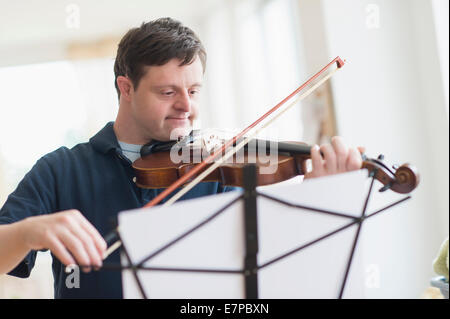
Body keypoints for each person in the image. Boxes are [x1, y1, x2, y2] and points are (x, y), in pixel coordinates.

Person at [0, 17, 364, 298]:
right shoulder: (61, 169)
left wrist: (317, 196)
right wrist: (29, 231)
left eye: (193, 90)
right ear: (125, 88)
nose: (187, 107)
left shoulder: (219, 169)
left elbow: (273, 268)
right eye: (168, 91)